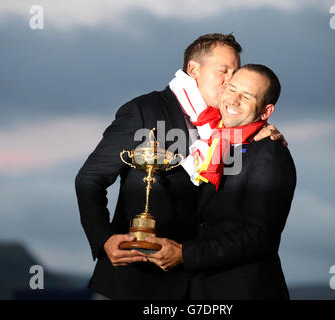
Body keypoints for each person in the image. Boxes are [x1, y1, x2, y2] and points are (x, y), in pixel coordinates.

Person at [75, 33, 285, 299]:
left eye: (235, 72)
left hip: (199, 283)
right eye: (224, 71)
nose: (230, 81)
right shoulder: (144, 110)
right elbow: (89, 179)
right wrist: (104, 239)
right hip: (139, 279)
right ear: (193, 69)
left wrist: (263, 131)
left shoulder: (232, 126)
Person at [143, 64, 296, 299]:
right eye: (232, 89)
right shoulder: (216, 140)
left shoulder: (269, 153)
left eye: (246, 96)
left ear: (265, 112)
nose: (233, 100)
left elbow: (258, 235)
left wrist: (185, 254)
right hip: (199, 289)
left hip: (245, 291)